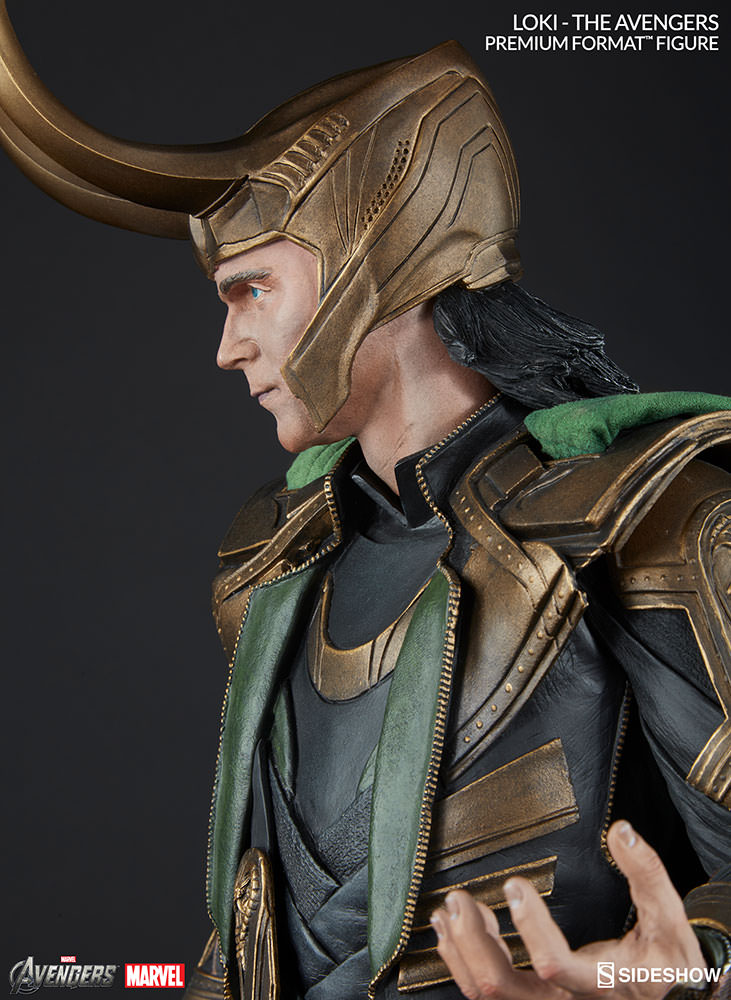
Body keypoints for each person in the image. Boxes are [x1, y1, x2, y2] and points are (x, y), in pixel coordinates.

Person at [1, 19, 729, 1000]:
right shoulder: (279, 564)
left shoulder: (639, 519)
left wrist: (680, 971)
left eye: (252, 289)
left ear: (371, 263)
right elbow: (259, 934)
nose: (227, 345)